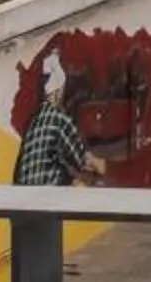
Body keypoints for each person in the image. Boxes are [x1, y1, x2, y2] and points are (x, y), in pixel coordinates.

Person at [14, 60, 105, 188]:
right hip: (47, 198)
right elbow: (85, 160)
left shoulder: (36, 119)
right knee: (85, 185)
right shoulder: (60, 119)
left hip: (27, 199)